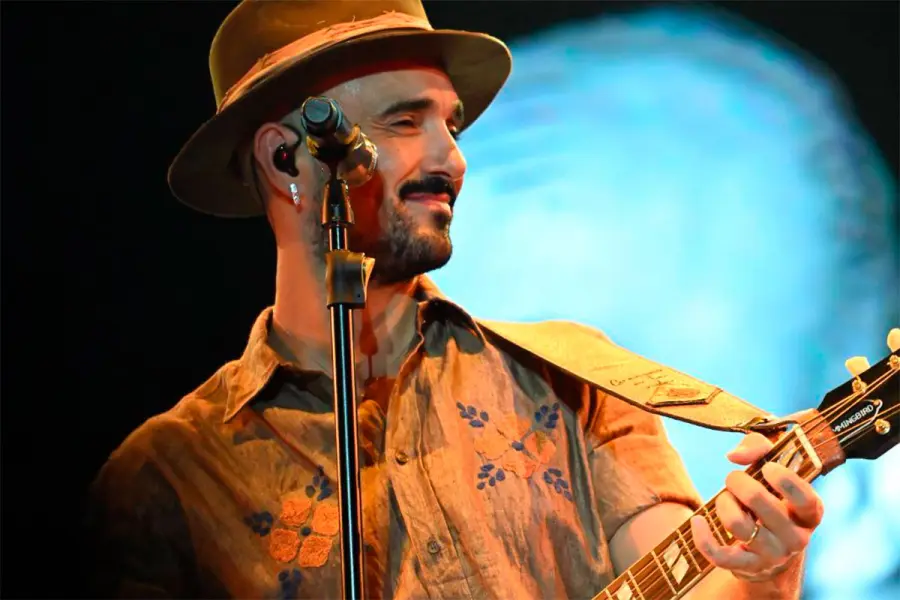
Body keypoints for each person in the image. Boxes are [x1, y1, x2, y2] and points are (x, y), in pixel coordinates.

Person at [84, 1, 891, 598]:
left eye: (453, 126)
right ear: (286, 157)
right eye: (405, 123)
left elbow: (690, 576)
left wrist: (765, 563)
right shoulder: (166, 479)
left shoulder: (572, 377)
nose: (450, 159)